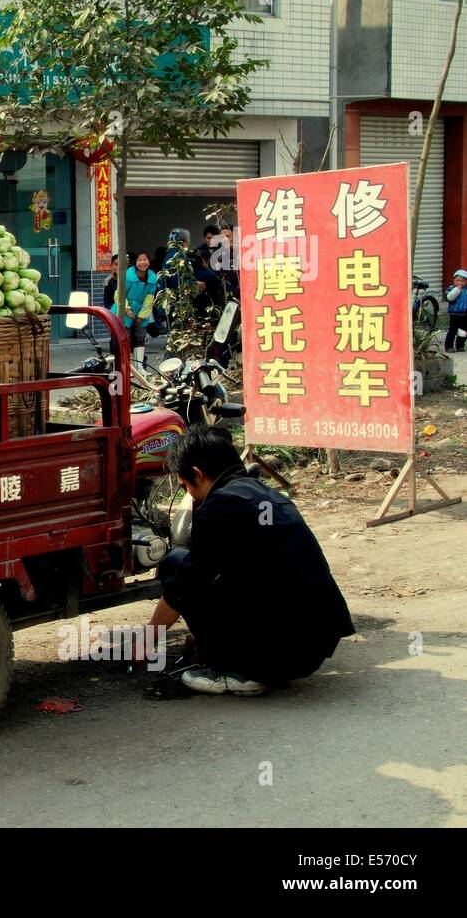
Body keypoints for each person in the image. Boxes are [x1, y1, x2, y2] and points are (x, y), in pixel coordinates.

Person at [134, 425, 354, 695]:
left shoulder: (222, 506)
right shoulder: (265, 494)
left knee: (175, 563)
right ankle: (249, 660)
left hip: (279, 654)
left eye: (184, 485)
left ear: (198, 475)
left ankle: (239, 671)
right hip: (313, 647)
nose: (188, 494)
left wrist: (147, 639)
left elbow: (186, 583)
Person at [111, 251, 158, 362]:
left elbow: (149, 298)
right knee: (124, 338)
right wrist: (127, 310)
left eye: (145, 260)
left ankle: (139, 366)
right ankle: (123, 364)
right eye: (139, 260)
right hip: (123, 308)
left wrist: (141, 316)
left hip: (142, 310)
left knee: (140, 337)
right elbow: (119, 294)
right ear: (135, 262)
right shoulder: (127, 276)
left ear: (149, 261)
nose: (142, 263)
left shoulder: (152, 277)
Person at [445, 269, 467, 352]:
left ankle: (460, 345)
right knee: (452, 330)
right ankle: (449, 346)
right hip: (454, 314)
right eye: (457, 281)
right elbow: (449, 298)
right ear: (454, 281)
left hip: (465, 314)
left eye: (463, 281)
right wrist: (457, 290)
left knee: (463, 331)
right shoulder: (451, 289)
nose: (460, 283)